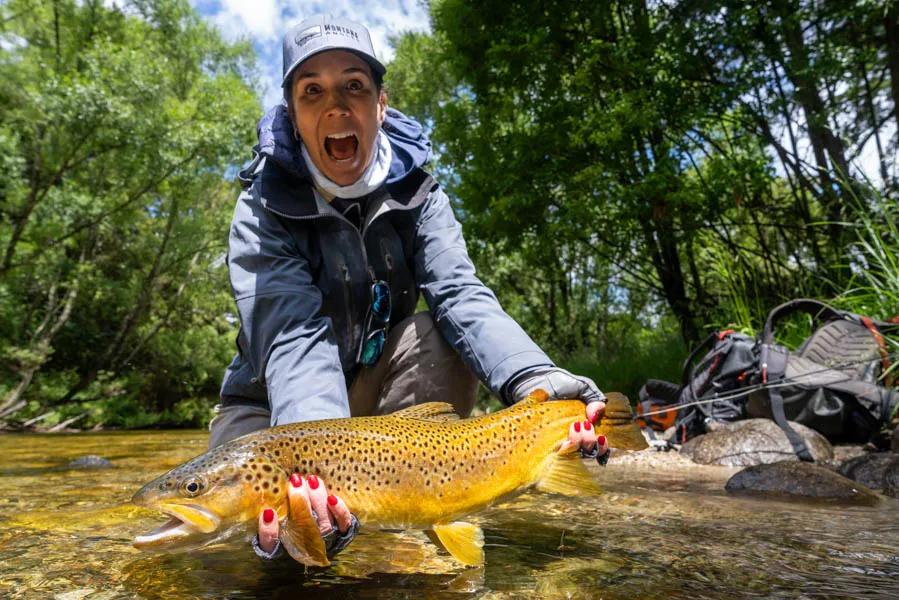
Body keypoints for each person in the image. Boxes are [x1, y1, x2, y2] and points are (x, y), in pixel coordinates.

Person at [211, 15, 611, 560]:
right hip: (273, 413)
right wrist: (316, 472)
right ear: (293, 114)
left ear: (380, 103)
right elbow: (291, 338)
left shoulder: (421, 194)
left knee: (438, 332)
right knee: (273, 551)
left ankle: (428, 507)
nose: (336, 106)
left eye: (354, 85)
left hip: (378, 408)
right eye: (313, 91)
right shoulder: (261, 208)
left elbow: (461, 294)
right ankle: (347, 514)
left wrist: (539, 383)